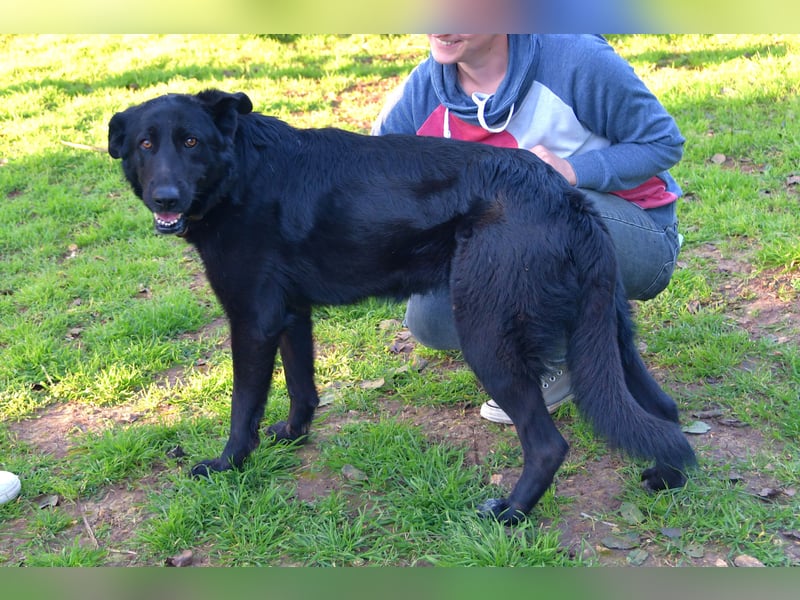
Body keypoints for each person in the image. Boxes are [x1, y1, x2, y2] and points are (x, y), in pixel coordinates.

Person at [371, 34, 685, 424]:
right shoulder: (419, 94)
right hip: (511, 242)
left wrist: (572, 170)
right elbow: (375, 184)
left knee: (529, 218)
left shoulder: (577, 60)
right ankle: (556, 338)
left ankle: (562, 356)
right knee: (432, 318)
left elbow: (663, 142)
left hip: (631, 231)